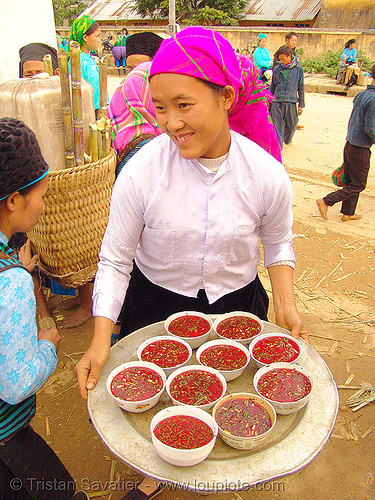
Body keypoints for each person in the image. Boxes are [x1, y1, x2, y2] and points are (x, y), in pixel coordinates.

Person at [0, 117, 88, 500]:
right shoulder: (10, 282)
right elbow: (16, 384)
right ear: (15, 199)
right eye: (42, 195)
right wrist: (47, 347)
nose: (43, 205)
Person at [316, 63, 375, 222]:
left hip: (350, 144)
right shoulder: (373, 98)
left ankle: (348, 212)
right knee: (358, 185)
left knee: (351, 181)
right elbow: (370, 127)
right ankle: (326, 201)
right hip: (361, 147)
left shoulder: (363, 94)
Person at [269, 45, 305, 149]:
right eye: (280, 60)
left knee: (292, 124)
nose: (282, 61)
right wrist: (269, 101)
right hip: (277, 101)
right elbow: (272, 86)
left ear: (290, 56)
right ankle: (278, 150)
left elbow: (301, 87)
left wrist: (301, 104)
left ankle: (287, 139)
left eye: (283, 59)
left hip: (291, 101)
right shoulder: (276, 69)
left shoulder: (298, 69)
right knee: (277, 127)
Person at [68, 15, 101, 112]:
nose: (99, 40)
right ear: (85, 37)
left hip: (97, 109)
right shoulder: (77, 61)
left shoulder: (90, 59)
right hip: (87, 112)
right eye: (97, 36)